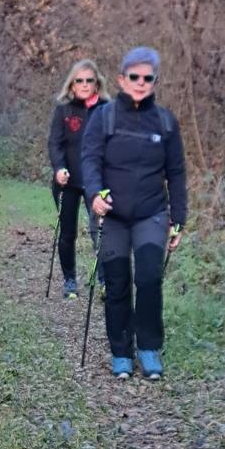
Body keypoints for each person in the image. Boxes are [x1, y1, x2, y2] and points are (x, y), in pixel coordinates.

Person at [82, 47, 187, 380]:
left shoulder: (166, 122)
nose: (141, 83)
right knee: (117, 283)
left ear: (155, 82)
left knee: (149, 278)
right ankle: (121, 352)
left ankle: (149, 348)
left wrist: (179, 219)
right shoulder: (104, 117)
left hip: (151, 214)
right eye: (134, 76)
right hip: (113, 215)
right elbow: (90, 160)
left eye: (148, 77)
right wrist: (94, 195)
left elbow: (177, 173)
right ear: (121, 80)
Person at [48, 59, 109, 299]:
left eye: (89, 81)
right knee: (68, 232)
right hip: (68, 180)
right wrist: (59, 168)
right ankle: (70, 280)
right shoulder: (63, 110)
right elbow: (55, 143)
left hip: (98, 181)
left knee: (101, 231)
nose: (84, 84)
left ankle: (105, 280)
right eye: (79, 80)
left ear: (97, 84)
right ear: (72, 84)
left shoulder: (107, 109)